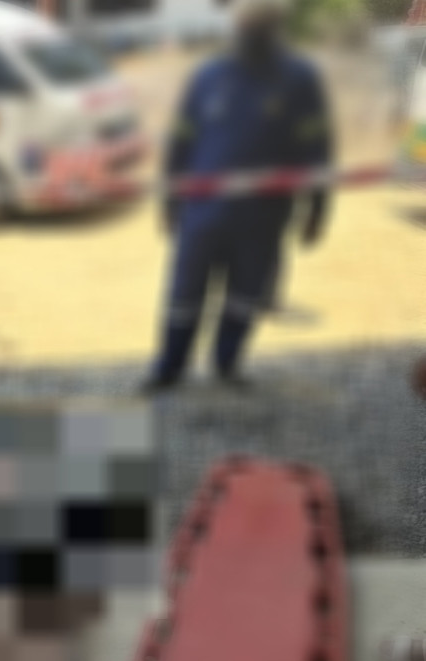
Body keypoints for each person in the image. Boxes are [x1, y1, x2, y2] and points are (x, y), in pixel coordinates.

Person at [141, 0, 333, 393]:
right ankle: (169, 368)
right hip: (203, 216)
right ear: (236, 25)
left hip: (264, 219)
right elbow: (180, 143)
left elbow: (317, 150)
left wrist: (318, 210)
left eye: (263, 23)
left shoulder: (299, 80)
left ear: (277, 27)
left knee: (245, 296)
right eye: (247, 23)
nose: (253, 32)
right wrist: (169, 202)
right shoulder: (208, 76)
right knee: (184, 296)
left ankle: (227, 364)